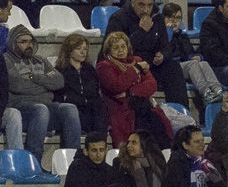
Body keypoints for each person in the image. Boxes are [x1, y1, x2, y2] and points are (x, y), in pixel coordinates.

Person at [5, 24, 80, 162]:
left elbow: (59, 81)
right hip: (22, 109)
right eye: (23, 41)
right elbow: (17, 84)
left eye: (30, 41)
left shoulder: (41, 60)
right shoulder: (6, 60)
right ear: (12, 43)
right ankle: (33, 161)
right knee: (41, 109)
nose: (29, 45)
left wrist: (34, 78)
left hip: (45, 108)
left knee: (69, 108)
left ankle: (73, 161)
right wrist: (46, 87)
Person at [105, 0, 189, 108]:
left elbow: (166, 46)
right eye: (141, 5)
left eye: (149, 5)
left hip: (151, 64)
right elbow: (114, 50)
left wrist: (162, 55)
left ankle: (181, 113)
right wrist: (141, 31)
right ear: (133, 2)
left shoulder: (157, 18)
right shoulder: (119, 18)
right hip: (129, 64)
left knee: (173, 67)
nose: (146, 9)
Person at [96, 30, 173, 149]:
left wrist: (129, 92)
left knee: (156, 123)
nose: (121, 50)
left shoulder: (137, 60)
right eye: (116, 48)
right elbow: (117, 86)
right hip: (121, 109)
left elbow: (152, 85)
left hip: (144, 106)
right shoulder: (104, 66)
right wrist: (135, 69)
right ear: (109, 51)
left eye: (123, 46)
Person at [163, 3, 224, 105]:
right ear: (164, 18)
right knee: (192, 64)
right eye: (170, 17)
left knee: (203, 63)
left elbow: (191, 53)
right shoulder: (161, 36)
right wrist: (169, 32)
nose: (174, 21)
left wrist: (197, 57)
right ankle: (206, 93)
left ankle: (218, 90)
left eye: (177, 18)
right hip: (170, 69)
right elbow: (165, 53)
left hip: (184, 68)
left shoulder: (183, 36)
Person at [53, 33, 107, 134]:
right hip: (73, 109)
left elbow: (95, 92)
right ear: (69, 50)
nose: (83, 52)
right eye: (79, 49)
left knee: (100, 106)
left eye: (85, 49)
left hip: (91, 109)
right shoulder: (60, 71)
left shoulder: (89, 69)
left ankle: (99, 138)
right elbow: (61, 96)